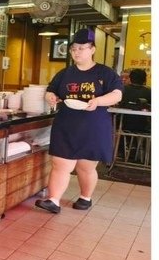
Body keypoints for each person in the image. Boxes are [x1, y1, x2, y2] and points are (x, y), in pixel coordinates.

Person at [35, 28, 123, 214]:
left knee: (85, 167)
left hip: (93, 126)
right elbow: (51, 90)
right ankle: (53, 200)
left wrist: (98, 101)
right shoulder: (64, 74)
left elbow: (117, 94)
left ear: (92, 49)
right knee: (60, 165)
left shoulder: (105, 73)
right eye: (74, 49)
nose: (77, 52)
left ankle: (85, 197)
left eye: (82, 48)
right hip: (66, 124)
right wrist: (50, 97)